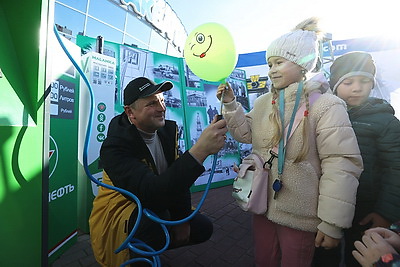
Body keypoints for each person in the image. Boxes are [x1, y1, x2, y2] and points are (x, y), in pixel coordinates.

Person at [216, 17, 363, 267]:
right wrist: (230, 104)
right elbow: (245, 135)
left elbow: (341, 163)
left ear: (302, 63)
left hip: (300, 214)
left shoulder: (327, 105)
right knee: (264, 259)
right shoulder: (264, 102)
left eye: (279, 62)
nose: (271, 69)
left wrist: (332, 221)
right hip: (261, 203)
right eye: (269, 63)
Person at [89, 77, 228, 266]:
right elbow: (150, 194)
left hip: (156, 204)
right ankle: (137, 254)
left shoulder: (167, 132)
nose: (162, 108)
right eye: (152, 103)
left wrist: (181, 220)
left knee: (202, 228)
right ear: (130, 112)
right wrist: (200, 151)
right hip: (119, 213)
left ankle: (152, 247)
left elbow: (177, 182)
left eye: (162, 100)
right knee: (153, 222)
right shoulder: (114, 147)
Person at [329, 51, 400, 266]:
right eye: (348, 82)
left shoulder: (386, 122)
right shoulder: (327, 117)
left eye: (364, 81)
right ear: (334, 86)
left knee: (359, 256)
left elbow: (396, 168)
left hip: (367, 209)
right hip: (332, 205)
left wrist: (384, 213)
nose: (357, 88)